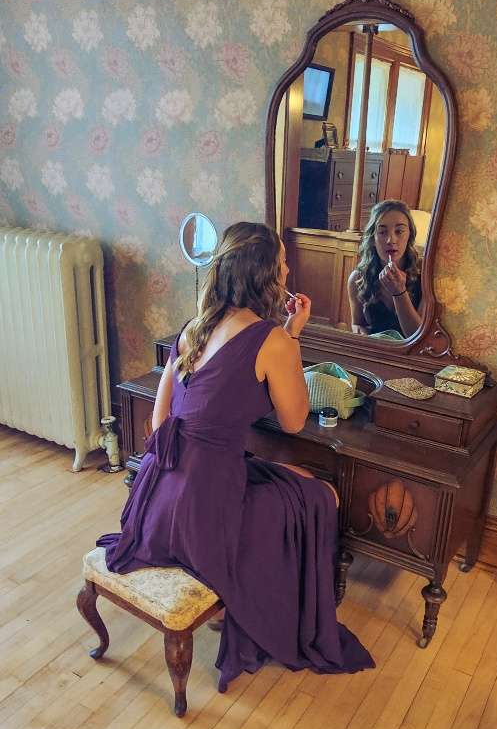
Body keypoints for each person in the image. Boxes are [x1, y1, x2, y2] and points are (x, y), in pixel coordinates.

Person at [97, 222, 374, 692]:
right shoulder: (274, 341)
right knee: (318, 494)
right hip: (205, 512)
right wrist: (293, 338)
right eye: (283, 261)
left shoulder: (191, 330)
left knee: (279, 477)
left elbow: (158, 425)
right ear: (267, 277)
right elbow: (293, 420)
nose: (288, 267)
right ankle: (249, 597)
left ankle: (229, 593)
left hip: (158, 499)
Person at [347, 200, 423, 339]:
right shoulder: (358, 278)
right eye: (382, 232)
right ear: (372, 239)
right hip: (375, 352)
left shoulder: (424, 276)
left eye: (399, 231)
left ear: (409, 235)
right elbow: (357, 324)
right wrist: (360, 333)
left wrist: (399, 292)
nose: (391, 240)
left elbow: (417, 336)